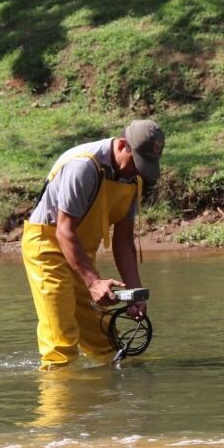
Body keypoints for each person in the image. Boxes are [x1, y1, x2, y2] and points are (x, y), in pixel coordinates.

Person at [22, 119, 165, 369]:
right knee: (61, 343)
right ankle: (59, 404)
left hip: (81, 254)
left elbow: (123, 240)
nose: (139, 172)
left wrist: (135, 292)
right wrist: (93, 282)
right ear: (122, 145)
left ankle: (116, 402)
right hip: (47, 246)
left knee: (106, 344)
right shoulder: (84, 166)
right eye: (137, 163)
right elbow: (64, 232)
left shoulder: (132, 178)